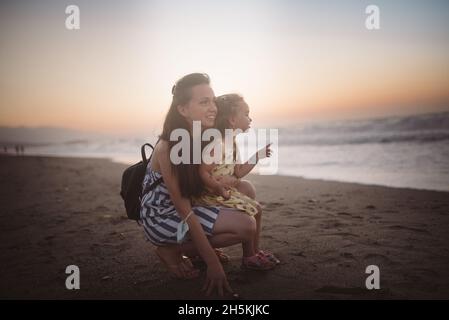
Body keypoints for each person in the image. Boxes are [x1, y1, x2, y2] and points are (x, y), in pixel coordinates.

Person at [139, 73, 275, 297]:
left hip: (188, 204)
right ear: (183, 109)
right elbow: (184, 211)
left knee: (247, 189)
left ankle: (208, 251)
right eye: (204, 102)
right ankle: (171, 250)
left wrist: (225, 181)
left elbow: (216, 169)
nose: (213, 107)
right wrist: (213, 264)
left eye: (212, 100)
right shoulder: (169, 146)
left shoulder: (201, 134)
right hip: (163, 215)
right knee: (246, 226)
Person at [194, 93, 280, 265]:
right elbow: (202, 173)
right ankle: (250, 256)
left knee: (253, 201)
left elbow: (238, 172)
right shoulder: (217, 144)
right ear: (232, 120)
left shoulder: (231, 141)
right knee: (255, 209)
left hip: (221, 191)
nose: (250, 118)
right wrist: (218, 183)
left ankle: (254, 252)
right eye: (246, 114)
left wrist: (257, 156)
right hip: (210, 196)